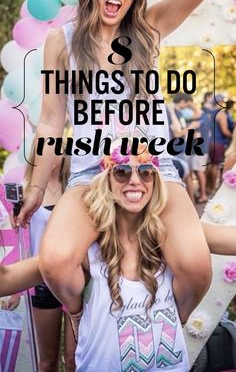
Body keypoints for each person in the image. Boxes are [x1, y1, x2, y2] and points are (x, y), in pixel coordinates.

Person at [16, 0, 236, 325]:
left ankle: (165, 324)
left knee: (196, 266)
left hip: (155, 173)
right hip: (89, 176)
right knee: (55, 261)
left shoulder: (150, 29)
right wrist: (36, 189)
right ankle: (90, 316)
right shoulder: (61, 41)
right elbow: (52, 122)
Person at [1, 144, 236, 371]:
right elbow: (8, 279)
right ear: (106, 181)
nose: (135, 180)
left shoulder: (175, 241)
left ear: (155, 180)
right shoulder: (85, 251)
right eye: (122, 171)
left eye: (145, 172)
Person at [17, 150, 76, 372]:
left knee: (73, 359)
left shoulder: (74, 188)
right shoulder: (25, 190)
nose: (51, 156)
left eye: (57, 150)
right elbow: (18, 240)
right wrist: (16, 290)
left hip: (75, 280)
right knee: (47, 361)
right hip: (42, 280)